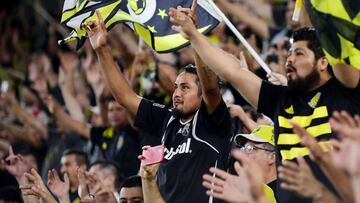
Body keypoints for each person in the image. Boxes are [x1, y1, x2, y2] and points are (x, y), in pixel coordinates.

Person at [168, 7, 360, 203]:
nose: (289, 59)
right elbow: (232, 71)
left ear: (323, 62)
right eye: (290, 52)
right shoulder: (280, 100)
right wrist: (194, 35)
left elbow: (336, 43)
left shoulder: (346, 90)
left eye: (299, 53)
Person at [83, 8, 233, 202]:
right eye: (176, 87)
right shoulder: (167, 119)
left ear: (201, 93)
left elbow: (211, 89)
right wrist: (101, 49)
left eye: (185, 87)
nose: (177, 93)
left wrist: (193, 36)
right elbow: (125, 97)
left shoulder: (214, 122)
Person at [235, 125, 277, 194]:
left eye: (250, 149)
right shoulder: (246, 191)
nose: (243, 155)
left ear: (272, 157)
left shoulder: (288, 195)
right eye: (243, 149)